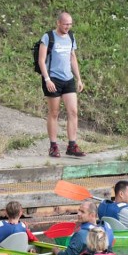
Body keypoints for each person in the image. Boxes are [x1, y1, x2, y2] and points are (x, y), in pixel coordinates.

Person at [38, 11, 85, 157]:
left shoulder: (71, 37)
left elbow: (72, 58)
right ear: (58, 23)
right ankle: (53, 146)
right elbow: (41, 60)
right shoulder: (48, 37)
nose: (68, 27)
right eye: (65, 24)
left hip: (68, 79)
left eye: (70, 24)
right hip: (53, 79)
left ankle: (72, 145)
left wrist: (79, 78)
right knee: (54, 112)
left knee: (73, 111)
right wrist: (47, 79)